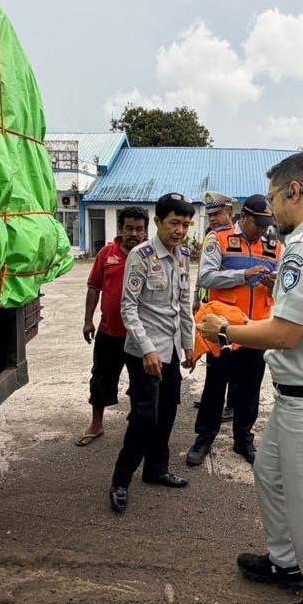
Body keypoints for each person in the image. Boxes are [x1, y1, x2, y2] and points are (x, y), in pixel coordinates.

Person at [199, 153, 303, 604]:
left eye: (271, 198)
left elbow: (286, 332)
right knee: (268, 474)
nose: (270, 210)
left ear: (293, 190)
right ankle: (288, 563)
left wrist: (226, 330)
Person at [109, 193, 196, 515]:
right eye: (174, 222)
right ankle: (120, 480)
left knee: (168, 413)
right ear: (158, 221)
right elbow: (128, 308)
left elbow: (183, 305)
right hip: (144, 351)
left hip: (172, 350)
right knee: (145, 418)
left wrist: (189, 344)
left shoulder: (184, 256)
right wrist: (147, 349)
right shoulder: (142, 255)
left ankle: (156, 470)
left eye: (186, 224)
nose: (180, 230)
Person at [188, 195, 282, 466]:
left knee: (249, 389)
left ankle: (243, 439)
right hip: (224, 329)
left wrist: (273, 284)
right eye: (259, 224)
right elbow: (206, 276)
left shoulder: (274, 246)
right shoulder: (219, 238)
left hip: (257, 329)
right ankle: (204, 438)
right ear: (245, 217)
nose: (264, 230)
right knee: (215, 387)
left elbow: (284, 287)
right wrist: (242, 275)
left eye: (267, 225)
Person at [79, 206, 148, 446]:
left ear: (146, 231)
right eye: (129, 228)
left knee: (141, 383)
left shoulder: (151, 255)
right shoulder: (106, 254)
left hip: (141, 336)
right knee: (101, 378)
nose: (134, 233)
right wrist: (88, 321)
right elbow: (93, 287)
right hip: (109, 332)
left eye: (140, 229)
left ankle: (136, 424)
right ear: (120, 229)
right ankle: (96, 425)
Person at [193, 191, 237, 421]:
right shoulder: (212, 237)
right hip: (209, 305)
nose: (213, 218)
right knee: (212, 355)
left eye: (218, 213)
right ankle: (213, 397)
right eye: (210, 214)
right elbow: (203, 274)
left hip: (229, 310)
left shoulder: (233, 239)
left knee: (229, 358)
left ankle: (230, 404)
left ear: (230, 213)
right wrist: (195, 298)